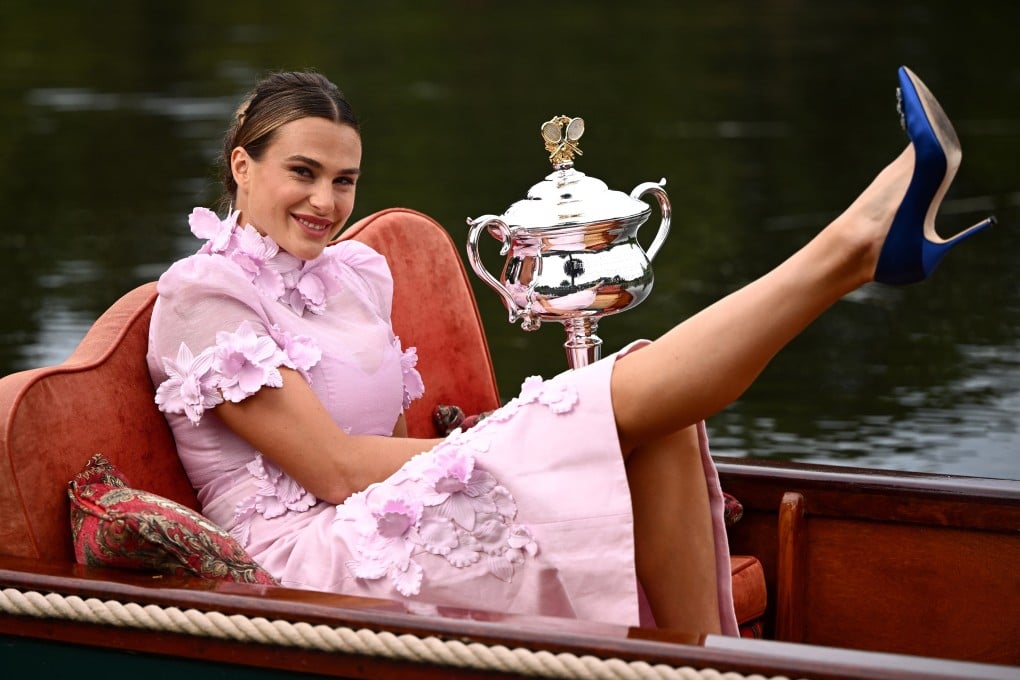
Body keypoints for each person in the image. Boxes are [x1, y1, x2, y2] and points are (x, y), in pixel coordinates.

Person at [146, 67, 993, 635]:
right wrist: (495, 441)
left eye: (345, 180)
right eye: (302, 172)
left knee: (652, 415)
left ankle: (703, 662)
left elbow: (378, 452)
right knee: (601, 402)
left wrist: (497, 437)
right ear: (242, 168)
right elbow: (330, 470)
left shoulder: (357, 273)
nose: (326, 201)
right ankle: (850, 251)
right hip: (305, 563)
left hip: (385, 507)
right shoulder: (202, 297)